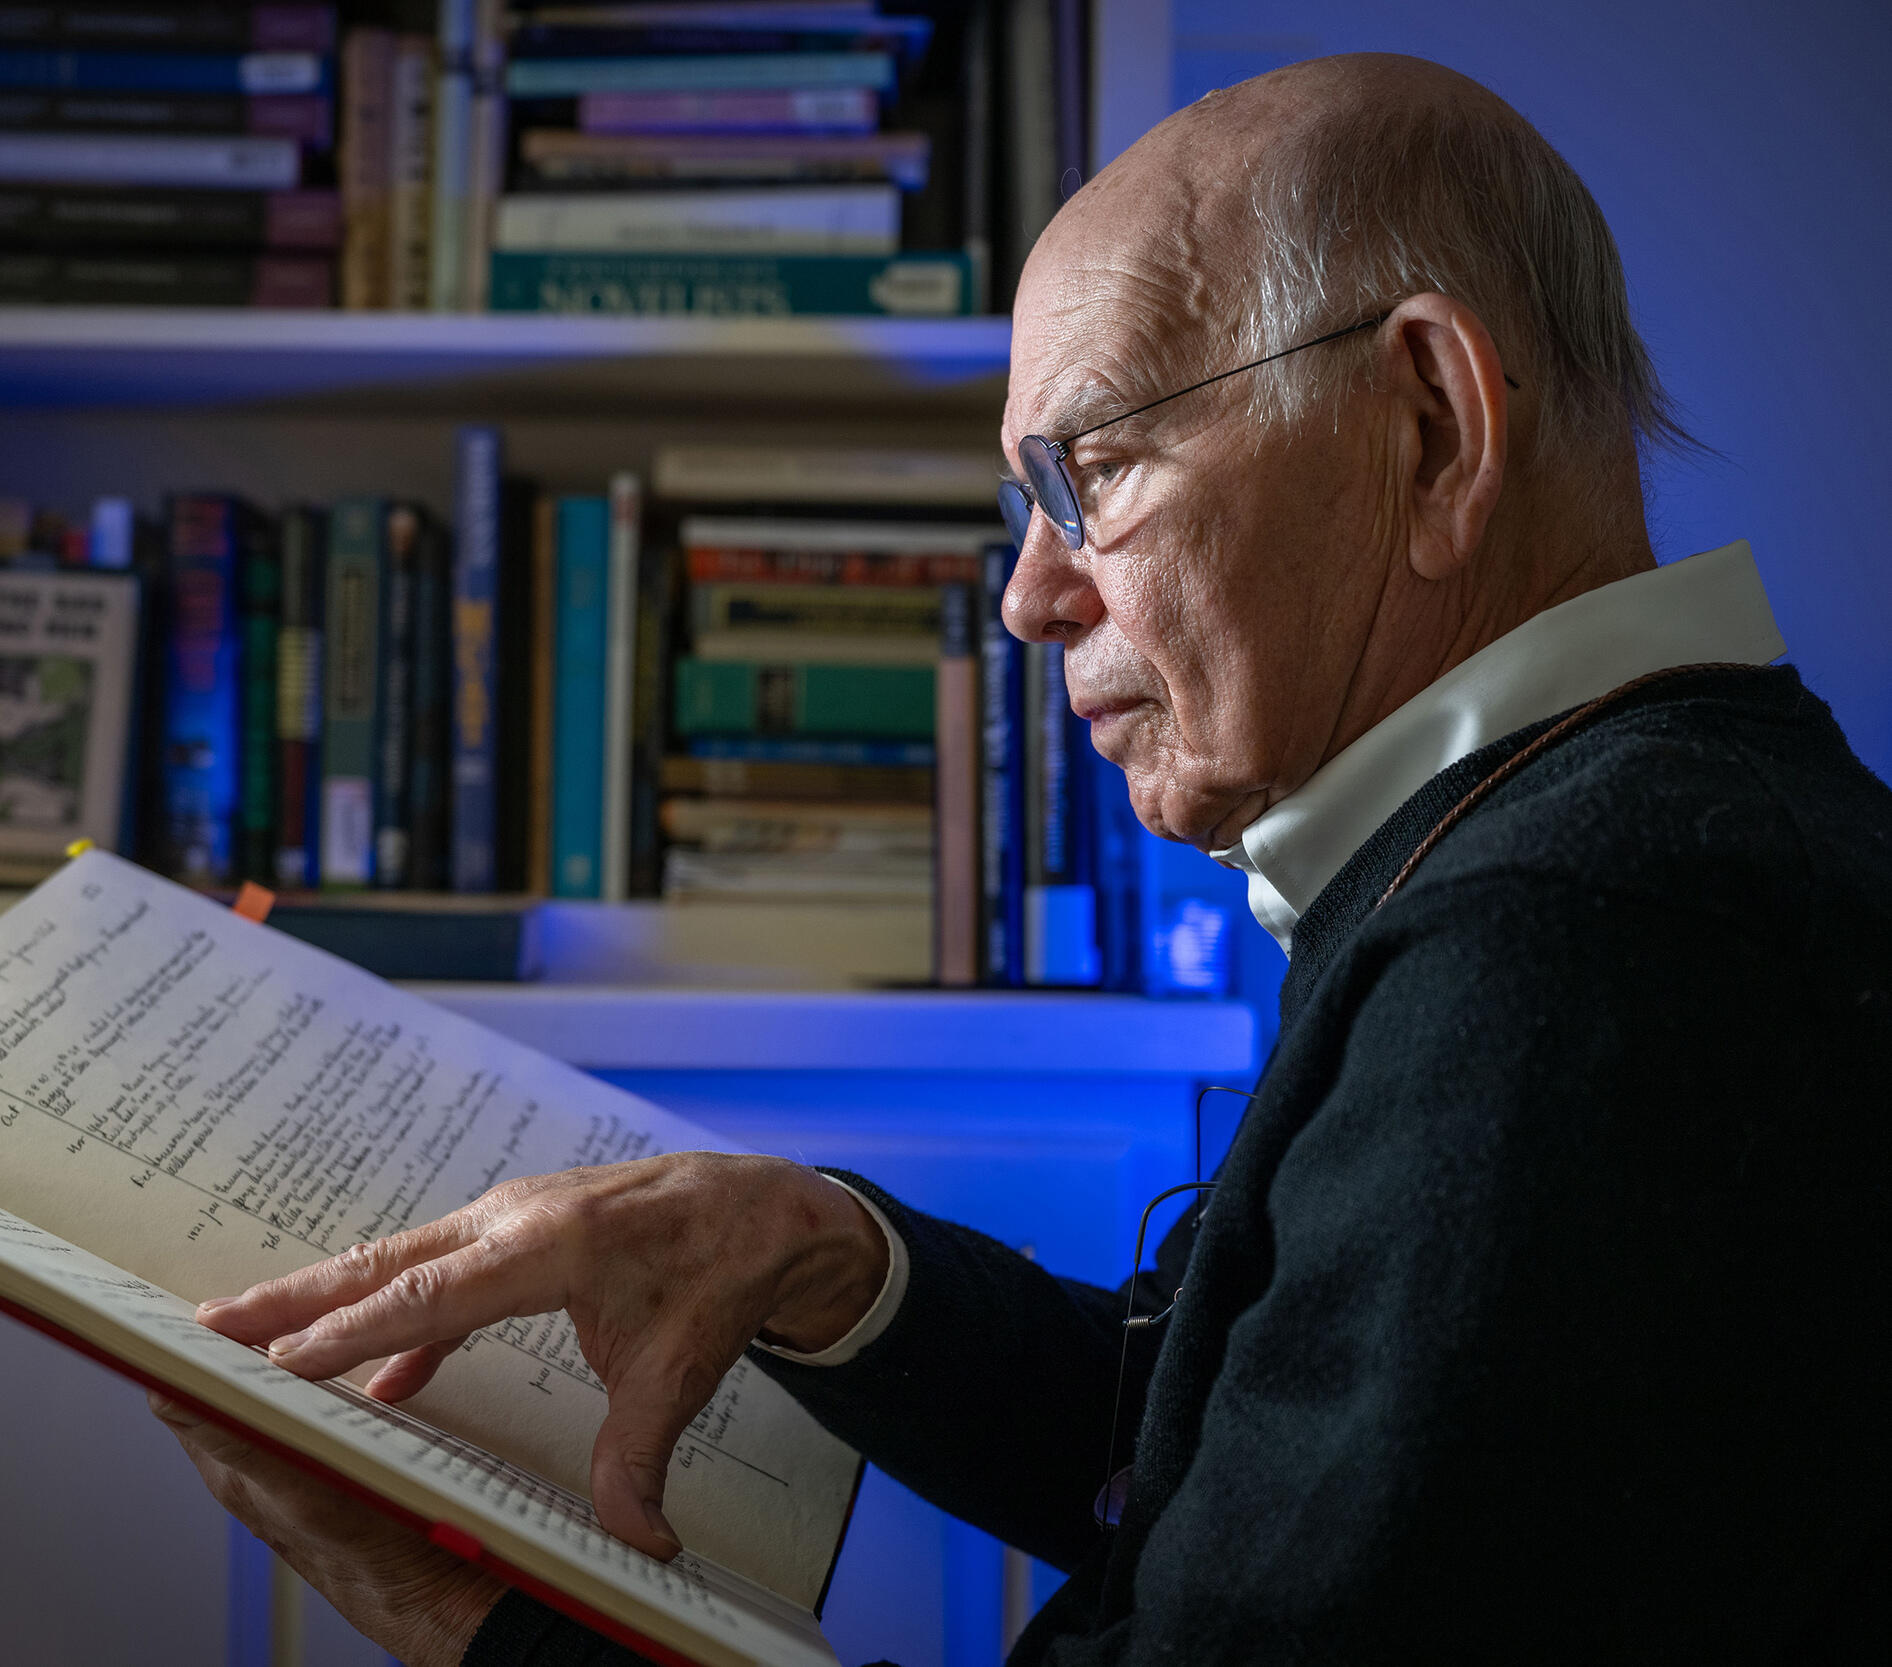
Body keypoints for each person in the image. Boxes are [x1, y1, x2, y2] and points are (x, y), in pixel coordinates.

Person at [153, 52, 1892, 1665]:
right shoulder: (1608, 840)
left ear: (1428, 424)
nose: (1030, 596)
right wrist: (826, 1252)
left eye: (1098, 470)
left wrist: (459, 1620)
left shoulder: (1572, 944)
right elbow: (1241, 1446)